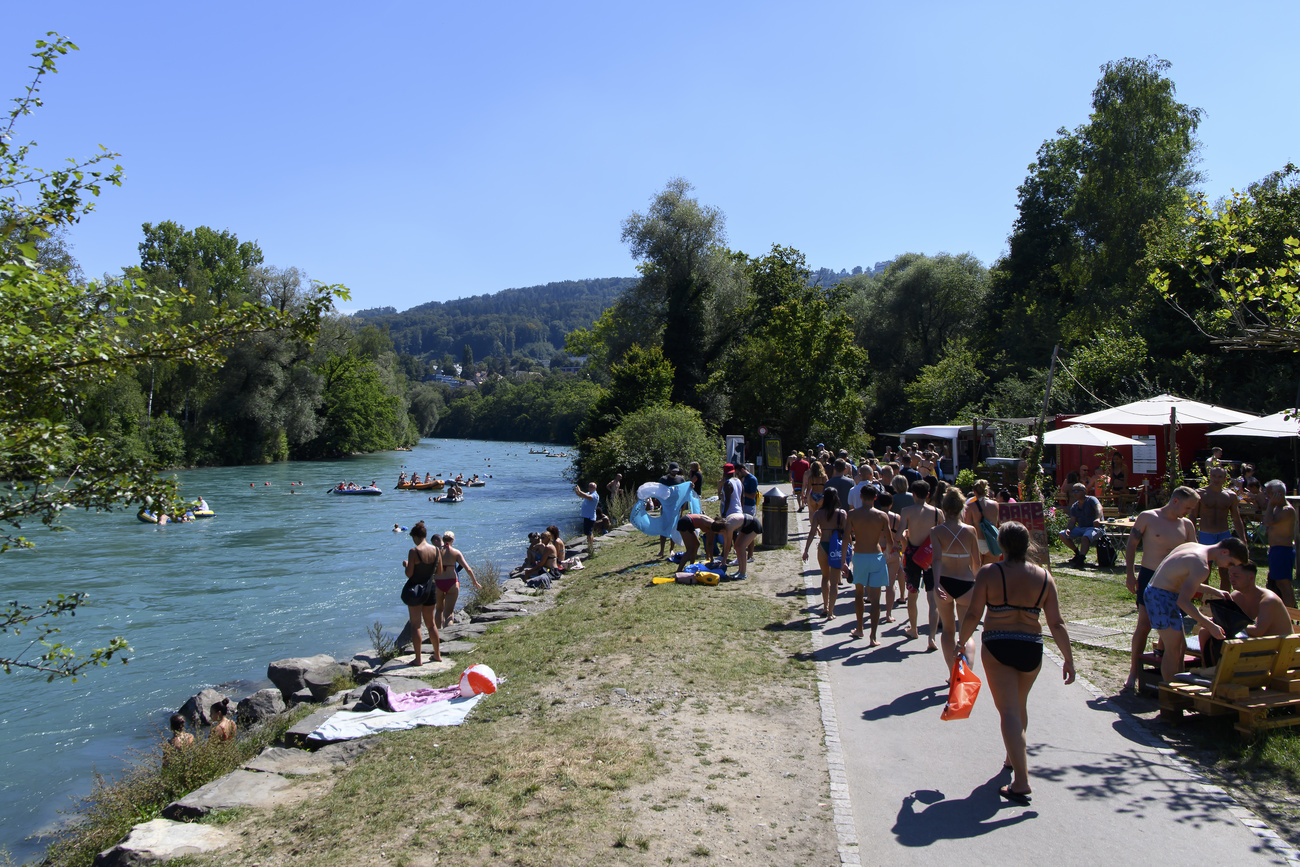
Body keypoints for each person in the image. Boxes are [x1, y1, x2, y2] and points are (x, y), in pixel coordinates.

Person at [957, 522, 1074, 806]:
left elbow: (973, 613)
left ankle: (1021, 781)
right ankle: (1012, 756)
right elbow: (1056, 623)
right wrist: (1069, 658)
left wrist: (962, 643)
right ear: (1027, 545)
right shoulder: (1045, 577)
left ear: (1002, 545)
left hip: (998, 643)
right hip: (1031, 647)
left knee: (1008, 711)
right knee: (1019, 706)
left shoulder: (989, 573)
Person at [1121, 486, 1200, 690]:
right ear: (1175, 501)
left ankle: (1165, 666)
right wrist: (1130, 573)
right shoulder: (1148, 517)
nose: (1189, 511)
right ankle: (1133, 672)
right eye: (1188, 507)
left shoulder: (1187, 525)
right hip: (1150, 576)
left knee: (1172, 627)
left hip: (1176, 582)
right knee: (1145, 624)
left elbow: (1194, 553)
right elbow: (1131, 544)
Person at [1144, 538, 1249, 684]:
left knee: (1180, 649)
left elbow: (1181, 579)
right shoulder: (1202, 565)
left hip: (1158, 593)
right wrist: (1210, 625)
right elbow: (1183, 601)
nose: (1228, 567)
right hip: (1161, 598)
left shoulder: (1192, 547)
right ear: (1225, 552)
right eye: (1230, 563)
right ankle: (1170, 697)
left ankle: (1178, 690)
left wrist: (1215, 591)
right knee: (1173, 652)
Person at [1195, 563, 1292, 665]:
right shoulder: (1237, 596)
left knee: (1228, 640)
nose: (1232, 579)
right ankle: (1208, 669)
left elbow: (1258, 631)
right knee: (1204, 632)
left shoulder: (1268, 600)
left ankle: (1218, 672)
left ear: (1251, 577)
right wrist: (1214, 622)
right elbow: (1228, 620)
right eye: (1230, 576)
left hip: (1278, 649)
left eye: (1236, 576)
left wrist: (1225, 624)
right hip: (1256, 643)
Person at [933, 487, 981, 675]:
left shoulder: (936, 531)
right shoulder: (970, 531)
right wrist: (979, 584)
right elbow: (976, 562)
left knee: (947, 630)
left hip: (944, 582)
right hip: (966, 583)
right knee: (966, 632)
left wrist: (936, 584)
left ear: (944, 509)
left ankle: (952, 672)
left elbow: (936, 559)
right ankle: (966, 669)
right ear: (962, 508)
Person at [846, 486, 894, 645]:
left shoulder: (852, 514)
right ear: (875, 498)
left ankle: (859, 629)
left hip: (859, 555)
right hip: (876, 556)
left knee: (859, 594)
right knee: (875, 599)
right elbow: (890, 540)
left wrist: (843, 562)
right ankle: (873, 636)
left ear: (860, 496)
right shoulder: (882, 516)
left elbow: (847, 538)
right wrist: (886, 555)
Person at [898, 480, 942, 649]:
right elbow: (942, 533)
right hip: (931, 555)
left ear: (913, 494)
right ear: (928, 495)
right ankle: (931, 637)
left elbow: (898, 535)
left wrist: (905, 539)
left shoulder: (907, 511)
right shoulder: (938, 512)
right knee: (932, 598)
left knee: (913, 593)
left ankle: (914, 629)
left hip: (913, 555)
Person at [1195, 466, 1247, 590]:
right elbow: (1192, 516)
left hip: (1224, 535)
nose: (1216, 479)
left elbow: (1236, 518)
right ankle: (1203, 599)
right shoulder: (1200, 494)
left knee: (1225, 571)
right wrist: (1191, 536)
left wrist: (1243, 539)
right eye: (1214, 476)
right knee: (1204, 570)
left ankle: (1225, 598)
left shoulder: (1230, 496)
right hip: (1206, 534)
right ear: (1209, 476)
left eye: (1220, 477)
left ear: (1225, 478)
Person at [803, 487, 848, 620]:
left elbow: (812, 533)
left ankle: (824, 606)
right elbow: (846, 535)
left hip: (823, 546)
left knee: (825, 577)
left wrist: (806, 550)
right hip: (836, 547)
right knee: (834, 582)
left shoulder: (818, 514)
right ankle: (831, 612)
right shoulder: (842, 514)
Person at [401, 521, 441, 666]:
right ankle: (437, 654)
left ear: (416, 537)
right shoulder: (436, 550)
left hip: (416, 590)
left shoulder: (414, 551)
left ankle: (418, 659)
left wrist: (407, 565)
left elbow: (409, 574)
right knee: (431, 625)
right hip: (431, 589)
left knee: (416, 625)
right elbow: (439, 571)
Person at [435, 530, 480, 630]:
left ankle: (437, 635)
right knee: (449, 613)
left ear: (443, 539)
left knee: (439, 610)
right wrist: (474, 581)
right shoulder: (456, 552)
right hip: (452, 583)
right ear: (453, 540)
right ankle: (448, 636)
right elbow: (468, 568)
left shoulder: (436, 552)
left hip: (438, 582)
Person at [1262, 480, 1298, 607]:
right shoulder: (1278, 508)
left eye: (1269, 494)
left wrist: (1270, 505)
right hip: (1276, 550)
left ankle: (1292, 616)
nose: (1268, 497)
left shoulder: (1287, 510)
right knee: (1278, 584)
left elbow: (1267, 522)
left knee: (1285, 585)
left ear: (1279, 494)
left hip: (1283, 550)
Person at [1058, 483, 1102, 566]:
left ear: (1084, 491)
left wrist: (1097, 519)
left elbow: (1099, 508)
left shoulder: (1091, 500)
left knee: (1086, 537)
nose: (1074, 493)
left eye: (1077, 491)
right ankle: (1077, 553)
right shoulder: (1075, 506)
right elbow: (1072, 521)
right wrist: (1069, 529)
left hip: (1094, 528)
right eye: (1073, 491)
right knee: (1062, 534)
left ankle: (1081, 559)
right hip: (1081, 528)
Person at [963, 479, 1001, 566]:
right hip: (991, 541)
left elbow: (968, 527)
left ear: (974, 491)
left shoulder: (970, 506)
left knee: (977, 574)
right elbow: (997, 522)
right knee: (990, 573)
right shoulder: (995, 505)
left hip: (977, 542)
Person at [574, 482, 600, 554]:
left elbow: (587, 497)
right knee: (588, 532)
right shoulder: (589, 493)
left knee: (589, 533)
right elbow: (580, 495)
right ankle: (589, 547)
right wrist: (576, 491)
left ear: (595, 488)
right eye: (590, 487)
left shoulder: (595, 495)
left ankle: (590, 547)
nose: (590, 488)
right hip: (587, 516)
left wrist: (580, 491)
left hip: (590, 516)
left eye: (592, 487)